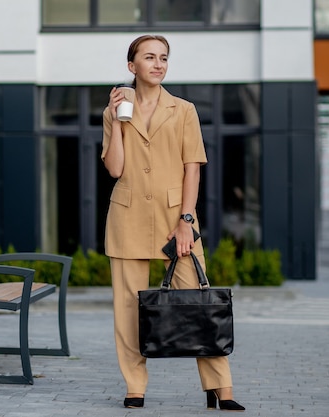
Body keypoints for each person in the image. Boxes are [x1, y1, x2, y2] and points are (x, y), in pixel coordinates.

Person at [101, 34, 245, 412]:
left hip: (175, 220)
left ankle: (221, 387)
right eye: (149, 57)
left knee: (200, 300)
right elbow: (115, 168)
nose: (158, 64)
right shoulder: (115, 110)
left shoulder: (184, 110)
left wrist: (186, 220)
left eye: (164, 57)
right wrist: (117, 122)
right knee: (128, 310)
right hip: (127, 217)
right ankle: (135, 386)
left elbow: (192, 168)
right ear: (132, 67)